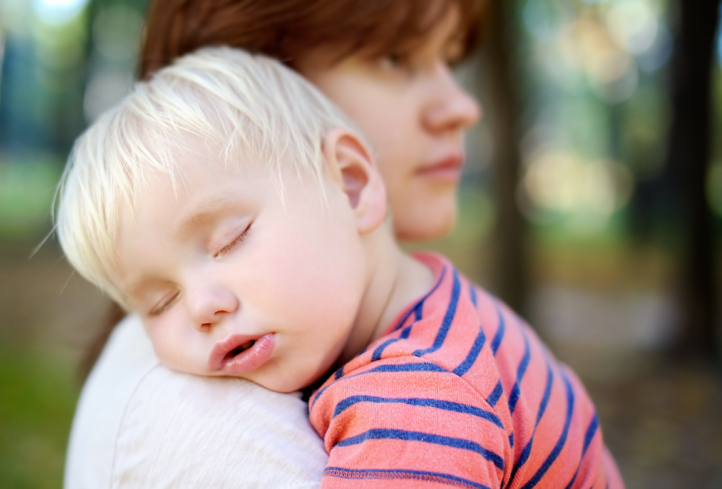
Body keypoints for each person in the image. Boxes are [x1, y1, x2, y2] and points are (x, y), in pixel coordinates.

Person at [57, 46, 623, 488]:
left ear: (350, 184)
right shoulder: (442, 303)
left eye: (230, 240)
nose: (203, 306)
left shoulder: (416, 404)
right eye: (159, 302)